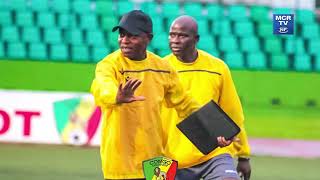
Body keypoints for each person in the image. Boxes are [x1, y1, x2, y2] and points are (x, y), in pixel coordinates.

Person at [90, 10, 202, 180]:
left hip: (156, 158)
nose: (124, 40)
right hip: (120, 161)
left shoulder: (162, 67)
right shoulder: (109, 65)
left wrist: (215, 131)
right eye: (122, 35)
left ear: (148, 38)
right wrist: (117, 96)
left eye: (132, 36)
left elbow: (186, 104)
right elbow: (101, 89)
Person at [162, 15, 251, 180]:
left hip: (215, 153)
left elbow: (233, 113)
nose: (175, 40)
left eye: (182, 35)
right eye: (172, 35)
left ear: (196, 39)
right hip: (167, 155)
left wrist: (244, 155)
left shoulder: (218, 68)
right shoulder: (160, 70)